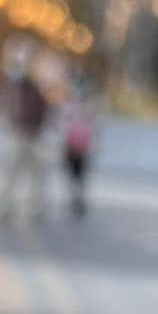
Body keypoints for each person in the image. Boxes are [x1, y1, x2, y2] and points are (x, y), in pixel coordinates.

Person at [0, 44, 50, 221]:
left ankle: (34, 208)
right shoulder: (19, 84)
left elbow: (41, 109)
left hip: (31, 135)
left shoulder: (34, 85)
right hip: (21, 134)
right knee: (13, 174)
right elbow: (14, 108)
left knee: (33, 175)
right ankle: (6, 207)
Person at [60, 68, 95, 218]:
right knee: (73, 173)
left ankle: (78, 198)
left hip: (83, 144)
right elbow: (63, 123)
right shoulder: (68, 103)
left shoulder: (89, 104)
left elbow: (95, 124)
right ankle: (75, 198)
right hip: (71, 143)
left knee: (80, 174)